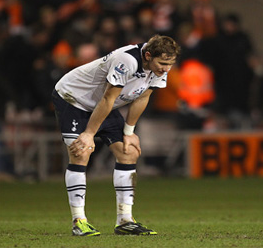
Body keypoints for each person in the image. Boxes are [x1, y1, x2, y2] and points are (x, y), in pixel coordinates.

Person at [52, 35, 181, 236]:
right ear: (148, 55)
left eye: (170, 64)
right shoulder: (127, 60)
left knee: (128, 152)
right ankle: (79, 221)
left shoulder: (158, 68)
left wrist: (129, 132)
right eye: (163, 63)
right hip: (74, 99)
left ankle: (125, 220)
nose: (166, 69)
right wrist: (89, 133)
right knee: (81, 151)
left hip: (102, 104)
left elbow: (143, 96)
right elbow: (108, 97)